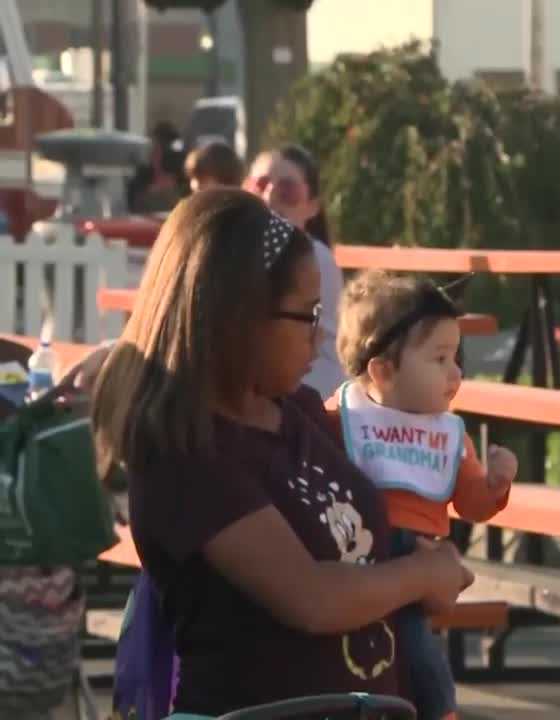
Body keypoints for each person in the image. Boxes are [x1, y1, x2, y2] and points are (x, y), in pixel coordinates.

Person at [91, 189, 473, 716]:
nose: (320, 340)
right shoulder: (184, 453)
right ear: (238, 316)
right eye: (307, 315)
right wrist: (422, 576)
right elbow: (310, 597)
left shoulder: (298, 411)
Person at [327, 270, 518, 720]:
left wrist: (494, 486)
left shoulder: (448, 435)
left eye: (456, 357)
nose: (456, 373)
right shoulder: (337, 421)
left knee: (425, 671)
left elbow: (470, 501)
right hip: (350, 566)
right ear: (383, 369)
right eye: (439, 359)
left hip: (417, 574)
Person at [244, 144, 345, 398]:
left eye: (287, 190)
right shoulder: (237, 251)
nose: (269, 197)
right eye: (260, 184)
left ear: (312, 206)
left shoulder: (316, 258)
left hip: (312, 389)